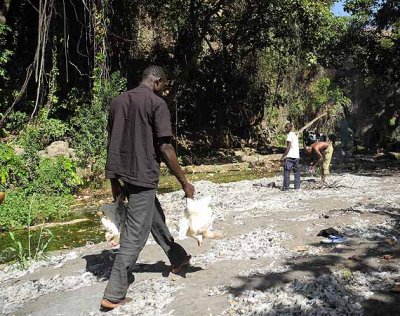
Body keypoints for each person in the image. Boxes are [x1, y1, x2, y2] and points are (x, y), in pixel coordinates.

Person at [100, 65, 195, 311]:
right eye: (163, 86)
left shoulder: (118, 101)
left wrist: (113, 180)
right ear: (157, 81)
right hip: (142, 176)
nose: (163, 90)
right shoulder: (156, 104)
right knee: (135, 234)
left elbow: (112, 142)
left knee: (154, 217)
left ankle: (178, 258)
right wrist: (184, 182)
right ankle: (114, 293)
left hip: (124, 175)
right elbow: (165, 147)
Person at [280, 122, 300, 191]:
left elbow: (288, 148)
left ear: (290, 128)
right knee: (296, 172)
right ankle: (297, 187)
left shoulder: (289, 136)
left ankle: (286, 188)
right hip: (296, 156)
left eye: (286, 127)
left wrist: (283, 157)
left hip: (290, 157)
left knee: (287, 172)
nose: (285, 129)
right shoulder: (295, 135)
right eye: (285, 127)